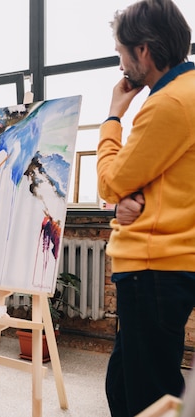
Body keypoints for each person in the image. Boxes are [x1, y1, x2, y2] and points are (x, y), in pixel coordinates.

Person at [97, 1, 195, 416]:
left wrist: (113, 116)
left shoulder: (169, 103)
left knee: (147, 399)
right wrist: (128, 200)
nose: (120, 63)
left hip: (154, 267)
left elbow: (110, 181)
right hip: (162, 267)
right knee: (123, 385)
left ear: (144, 51)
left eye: (122, 51)